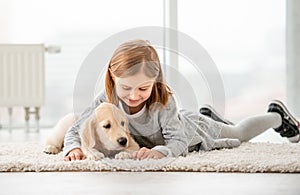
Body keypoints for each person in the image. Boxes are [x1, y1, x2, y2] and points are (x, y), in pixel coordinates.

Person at [63, 39, 300, 161]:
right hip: (181, 122)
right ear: (113, 78)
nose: (134, 96)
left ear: (155, 80)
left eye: (143, 88)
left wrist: (161, 151)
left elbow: (177, 140)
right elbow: (76, 130)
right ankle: (209, 114)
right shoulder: (106, 101)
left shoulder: (164, 102)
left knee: (238, 133)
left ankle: (277, 115)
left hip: (192, 129)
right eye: (126, 88)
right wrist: (73, 148)